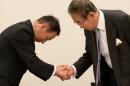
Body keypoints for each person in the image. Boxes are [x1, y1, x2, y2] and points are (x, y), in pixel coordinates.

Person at [61, 0, 130, 86]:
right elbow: (90, 54)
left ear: (91, 15)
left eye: (79, 22)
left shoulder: (121, 19)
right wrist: (73, 69)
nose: (80, 27)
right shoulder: (88, 29)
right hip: (108, 78)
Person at [0, 15, 72, 86]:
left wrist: (55, 70)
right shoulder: (22, 32)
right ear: (43, 27)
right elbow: (32, 62)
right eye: (47, 38)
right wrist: (56, 70)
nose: (44, 42)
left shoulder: (24, 31)